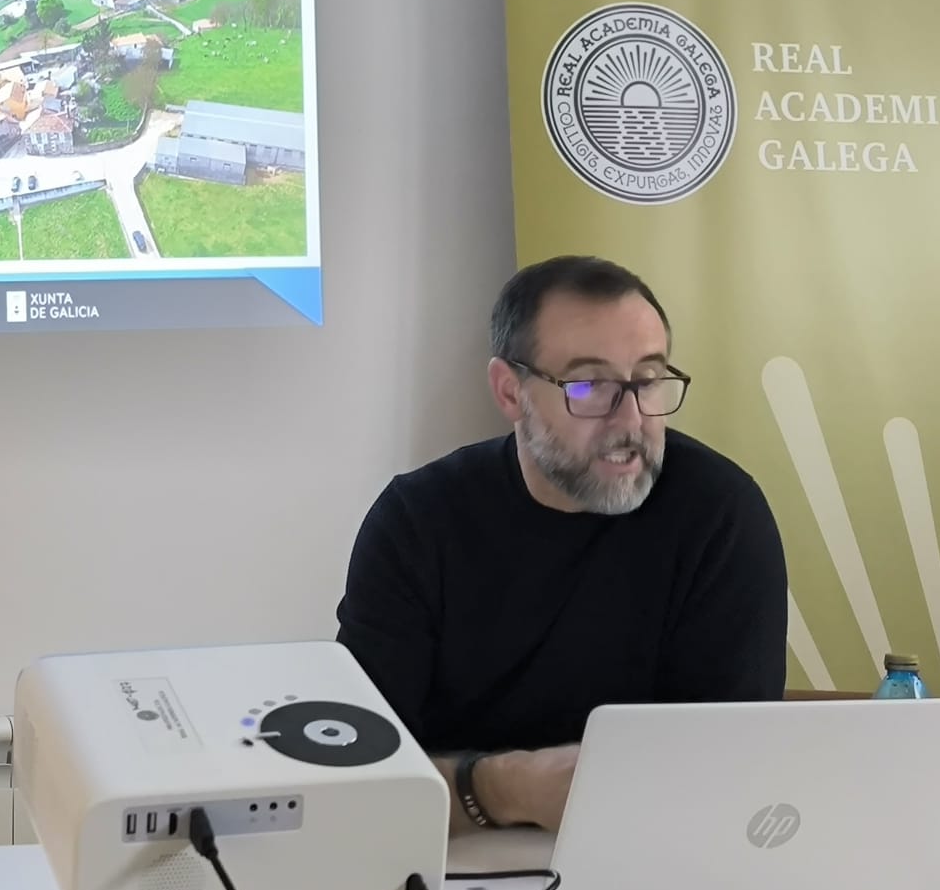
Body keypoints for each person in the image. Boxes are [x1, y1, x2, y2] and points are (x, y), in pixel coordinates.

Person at [336, 255, 786, 832]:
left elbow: (736, 772)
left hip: (655, 854)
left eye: (648, 379)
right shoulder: (417, 523)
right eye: (590, 384)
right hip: (452, 863)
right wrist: (504, 790)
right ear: (509, 392)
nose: (631, 420)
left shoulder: (720, 515)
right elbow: (356, 783)